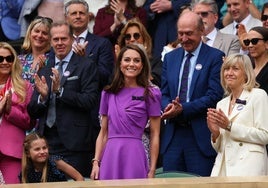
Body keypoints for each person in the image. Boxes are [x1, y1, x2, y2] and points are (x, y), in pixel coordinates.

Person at [27, 22, 99, 177]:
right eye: (56, 39)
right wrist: (43, 96)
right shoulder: (45, 68)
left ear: (72, 39)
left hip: (75, 144)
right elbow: (32, 110)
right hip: (47, 143)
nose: (59, 43)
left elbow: (90, 101)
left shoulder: (86, 65)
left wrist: (60, 91)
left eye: (63, 39)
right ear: (50, 41)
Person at [161, 11, 224, 176]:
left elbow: (214, 95)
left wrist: (183, 108)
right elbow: (164, 92)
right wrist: (168, 106)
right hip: (173, 136)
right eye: (180, 33)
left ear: (202, 30)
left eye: (189, 33)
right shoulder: (170, 58)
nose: (184, 38)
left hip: (200, 136)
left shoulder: (215, 57)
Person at [90, 44, 161, 180]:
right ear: (120, 63)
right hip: (110, 156)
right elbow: (103, 132)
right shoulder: (107, 93)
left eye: (137, 60)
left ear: (142, 65)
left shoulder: (152, 93)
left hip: (135, 155)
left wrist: (152, 169)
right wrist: (96, 163)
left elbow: (155, 134)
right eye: (127, 59)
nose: (131, 64)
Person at [64, 0, 115, 165]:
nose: (78, 16)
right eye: (74, 13)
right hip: (65, 118)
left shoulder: (102, 44)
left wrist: (85, 61)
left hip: (91, 119)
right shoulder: (59, 44)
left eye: (82, 13)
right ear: (66, 18)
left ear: (88, 17)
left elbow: (106, 77)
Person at [207, 53, 268, 176]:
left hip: (248, 168)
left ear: (246, 73)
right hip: (222, 170)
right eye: (226, 69)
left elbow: (264, 136)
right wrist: (215, 134)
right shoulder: (221, 104)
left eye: (235, 69)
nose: (229, 73)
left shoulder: (258, 95)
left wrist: (230, 126)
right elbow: (221, 147)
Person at [0, 42, 34, 184]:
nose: (5, 62)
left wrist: (9, 110)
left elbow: (30, 122)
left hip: (11, 152)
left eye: (9, 58)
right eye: (0, 59)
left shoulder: (24, 86)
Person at [116, 18, 162, 87]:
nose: (132, 39)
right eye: (128, 37)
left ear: (144, 39)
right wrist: (120, 62)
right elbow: (113, 84)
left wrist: (143, 59)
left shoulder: (156, 61)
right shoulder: (119, 62)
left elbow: (155, 84)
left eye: (136, 36)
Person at [18, 17, 52, 88]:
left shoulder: (53, 59)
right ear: (30, 33)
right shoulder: (19, 60)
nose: (39, 35)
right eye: (37, 31)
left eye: (44, 33)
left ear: (50, 38)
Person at [244, 26, 268, 93]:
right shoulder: (246, 69)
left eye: (254, 41)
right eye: (247, 42)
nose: (250, 45)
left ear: (267, 44)